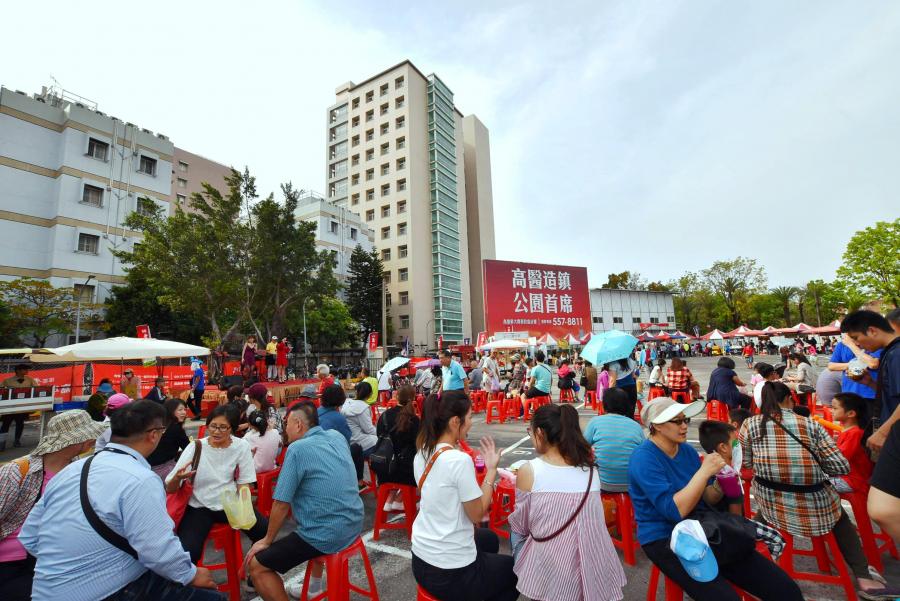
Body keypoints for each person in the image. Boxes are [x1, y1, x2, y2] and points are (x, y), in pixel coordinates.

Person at [20, 401, 221, 600]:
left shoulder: (71, 470)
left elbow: (29, 536)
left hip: (45, 592)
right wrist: (190, 574)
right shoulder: (141, 479)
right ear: (153, 435)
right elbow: (157, 550)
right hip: (108, 591)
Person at [629, 397, 803, 601]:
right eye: (677, 421)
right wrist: (703, 473)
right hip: (665, 536)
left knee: (786, 590)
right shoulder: (643, 458)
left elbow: (707, 498)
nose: (685, 426)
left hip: (704, 526)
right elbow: (674, 511)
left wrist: (721, 482)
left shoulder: (685, 451)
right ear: (656, 426)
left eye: (686, 420)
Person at [740, 381, 895, 599]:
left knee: (763, 513)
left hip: (770, 500)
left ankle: (744, 548)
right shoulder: (810, 425)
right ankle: (863, 577)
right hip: (814, 504)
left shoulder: (749, 424)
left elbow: (746, 464)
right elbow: (840, 466)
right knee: (840, 519)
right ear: (788, 399)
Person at [244, 400, 364, 600]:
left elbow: (281, 503)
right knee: (310, 522)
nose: (286, 429)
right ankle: (314, 587)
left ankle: (309, 587)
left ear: (298, 424)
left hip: (325, 534)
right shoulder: (336, 436)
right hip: (354, 523)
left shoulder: (297, 449)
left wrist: (267, 540)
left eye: (287, 423)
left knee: (257, 566)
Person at [510, 403, 626, 600]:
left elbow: (521, 525)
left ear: (539, 432)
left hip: (552, 565)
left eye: (530, 431)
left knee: (516, 531)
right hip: (594, 561)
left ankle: (532, 579)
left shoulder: (529, 470)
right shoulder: (591, 471)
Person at [411, 390, 518, 601]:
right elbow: (477, 515)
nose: (471, 423)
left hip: (420, 560)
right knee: (515, 571)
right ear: (454, 422)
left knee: (488, 539)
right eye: (469, 417)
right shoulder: (458, 460)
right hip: (450, 572)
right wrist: (491, 470)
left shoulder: (422, 452)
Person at [0, 410, 106, 601]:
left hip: (52, 559)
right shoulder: (18, 471)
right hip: (12, 563)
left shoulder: (78, 468)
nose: (93, 438)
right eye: (88, 434)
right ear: (71, 440)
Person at [166, 405, 268, 564]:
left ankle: (254, 573)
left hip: (230, 504)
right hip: (199, 507)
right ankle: (190, 584)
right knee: (188, 552)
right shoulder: (196, 446)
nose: (216, 431)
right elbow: (170, 488)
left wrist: (244, 508)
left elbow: (244, 482)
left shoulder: (241, 446)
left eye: (223, 427)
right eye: (213, 426)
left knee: (265, 532)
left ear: (233, 428)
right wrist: (177, 479)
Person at [840, 310, 900, 542]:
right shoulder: (889, 354)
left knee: (881, 508)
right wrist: (869, 382)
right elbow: (892, 396)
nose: (857, 344)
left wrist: (882, 433)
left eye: (856, 337)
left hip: (894, 435)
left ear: (872, 330)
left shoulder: (895, 354)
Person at [583, 387, 645, 492]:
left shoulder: (595, 422)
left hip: (602, 484)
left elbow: (582, 447)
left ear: (604, 405)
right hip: (631, 484)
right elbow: (643, 453)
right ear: (627, 406)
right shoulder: (636, 426)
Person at [376, 384, 421, 510]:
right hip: (405, 471)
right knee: (421, 459)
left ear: (396, 397)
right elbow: (418, 444)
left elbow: (379, 435)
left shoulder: (384, 416)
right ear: (413, 399)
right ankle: (399, 498)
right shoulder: (413, 419)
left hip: (384, 467)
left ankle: (390, 499)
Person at [830, 392, 874, 494]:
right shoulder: (848, 432)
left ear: (851, 414)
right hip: (848, 478)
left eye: (835, 408)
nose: (832, 411)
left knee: (813, 485)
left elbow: (839, 460)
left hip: (853, 481)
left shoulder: (855, 434)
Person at [698, 420, 743, 516]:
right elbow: (737, 517)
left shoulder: (703, 470)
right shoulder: (730, 476)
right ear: (723, 447)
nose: (738, 445)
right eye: (735, 441)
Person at [146, 398, 190, 480]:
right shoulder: (175, 428)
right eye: (180, 410)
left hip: (147, 467)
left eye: (185, 409)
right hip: (164, 470)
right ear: (170, 410)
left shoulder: (158, 424)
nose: (183, 412)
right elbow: (189, 448)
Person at [829, 333, 881, 402]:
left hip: (870, 394)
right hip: (848, 393)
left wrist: (851, 345)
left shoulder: (874, 343)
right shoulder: (842, 345)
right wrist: (854, 364)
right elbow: (831, 366)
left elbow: (873, 364)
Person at [342, 381, 379, 469]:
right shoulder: (363, 408)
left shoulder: (347, 404)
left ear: (356, 392)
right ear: (370, 394)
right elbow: (369, 429)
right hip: (360, 443)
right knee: (380, 441)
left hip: (348, 441)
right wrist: (381, 433)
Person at [0, 364, 37, 450]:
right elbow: (1, 390)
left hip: (22, 406)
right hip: (10, 407)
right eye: (25, 369)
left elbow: (37, 388)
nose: (27, 371)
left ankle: (17, 440)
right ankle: (2, 442)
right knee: (5, 424)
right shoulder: (7, 380)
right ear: (18, 370)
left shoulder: (30, 379)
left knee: (20, 423)